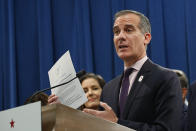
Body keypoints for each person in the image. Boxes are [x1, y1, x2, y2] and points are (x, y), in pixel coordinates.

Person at [83, 10, 183, 131]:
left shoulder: (165, 78)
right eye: (116, 32)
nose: (120, 36)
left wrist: (117, 123)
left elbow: (168, 128)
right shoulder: (109, 88)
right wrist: (62, 111)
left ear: (146, 38)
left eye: (128, 30)